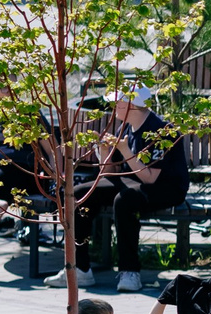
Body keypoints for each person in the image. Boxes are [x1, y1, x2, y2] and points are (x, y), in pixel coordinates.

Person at [78, 88, 189, 294]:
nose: (113, 108)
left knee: (124, 200)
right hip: (135, 182)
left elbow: (151, 178)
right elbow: (109, 174)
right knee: (81, 193)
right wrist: (104, 150)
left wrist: (125, 150)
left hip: (166, 188)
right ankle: (80, 268)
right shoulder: (127, 127)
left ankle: (130, 272)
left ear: (131, 106)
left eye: (117, 104)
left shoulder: (162, 130)